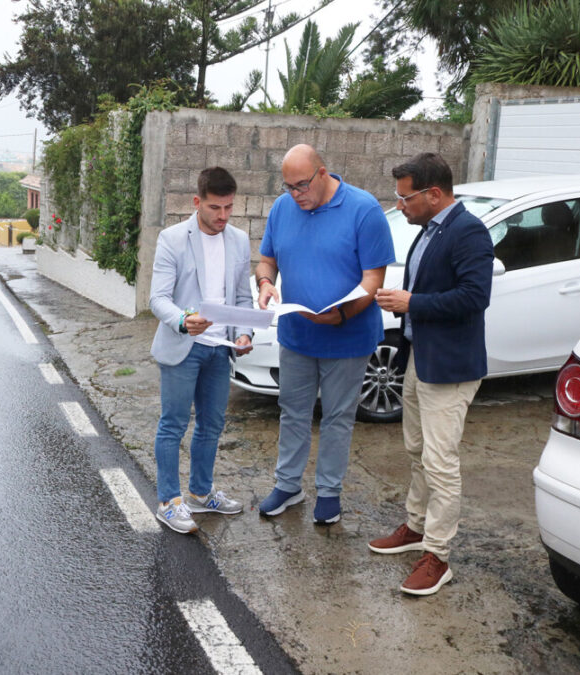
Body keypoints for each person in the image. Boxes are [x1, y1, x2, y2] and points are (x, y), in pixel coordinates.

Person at [370, 152, 493, 596]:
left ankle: (438, 556)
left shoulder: (469, 232)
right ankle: (416, 527)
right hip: (422, 358)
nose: (400, 205)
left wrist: (411, 304)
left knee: (441, 462)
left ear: (433, 194)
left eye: (405, 198)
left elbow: (475, 297)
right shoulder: (428, 230)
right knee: (416, 450)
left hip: (452, 367)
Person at [255, 144, 395, 525]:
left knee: (337, 416)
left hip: (348, 337)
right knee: (293, 412)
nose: (295, 194)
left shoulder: (364, 210)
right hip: (297, 334)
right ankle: (288, 485)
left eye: (301, 185)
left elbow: (373, 279)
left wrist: (344, 313)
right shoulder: (283, 209)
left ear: (322, 173)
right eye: (288, 187)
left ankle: (329, 492)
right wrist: (266, 282)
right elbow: (267, 258)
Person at [149, 166, 254, 534]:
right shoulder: (172, 238)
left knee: (211, 424)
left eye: (228, 208)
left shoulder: (239, 240)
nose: (223, 216)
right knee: (173, 424)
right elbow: (157, 298)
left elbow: (241, 297)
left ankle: (200, 492)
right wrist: (182, 321)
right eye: (215, 208)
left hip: (220, 349)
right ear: (197, 202)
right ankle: (169, 501)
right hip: (183, 345)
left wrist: (242, 334)